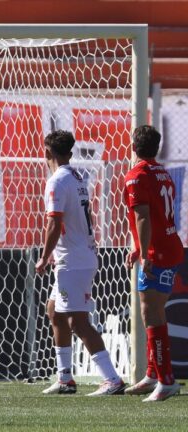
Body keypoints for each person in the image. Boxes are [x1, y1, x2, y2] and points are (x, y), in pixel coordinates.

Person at [34, 130, 126, 397]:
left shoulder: (57, 181)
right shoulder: (76, 177)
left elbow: (54, 222)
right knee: (54, 312)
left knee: (78, 322)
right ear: (70, 153)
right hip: (76, 256)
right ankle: (65, 378)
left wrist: (43, 256)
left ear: (47, 153)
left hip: (72, 261)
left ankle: (112, 379)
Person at [122, 125, 184, 402]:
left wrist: (145, 252)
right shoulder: (163, 173)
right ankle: (152, 374)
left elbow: (144, 217)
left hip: (157, 252)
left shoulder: (137, 176)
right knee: (153, 309)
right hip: (170, 246)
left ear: (133, 146)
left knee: (152, 312)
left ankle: (167, 380)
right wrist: (140, 248)